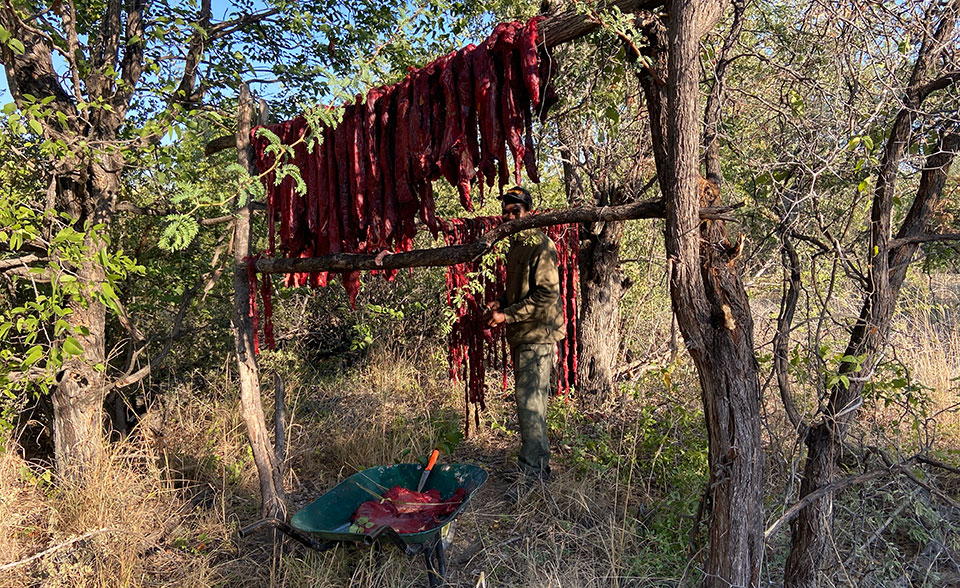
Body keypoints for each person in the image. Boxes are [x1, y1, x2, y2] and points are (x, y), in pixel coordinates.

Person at [485, 186, 565, 482]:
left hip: (537, 335)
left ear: (528, 213)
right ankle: (532, 465)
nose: (509, 216)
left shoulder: (541, 245)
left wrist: (506, 314)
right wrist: (501, 303)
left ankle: (534, 474)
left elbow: (546, 294)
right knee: (527, 402)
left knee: (530, 403)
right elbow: (522, 291)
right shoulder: (516, 245)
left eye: (515, 211)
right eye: (506, 211)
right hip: (523, 334)